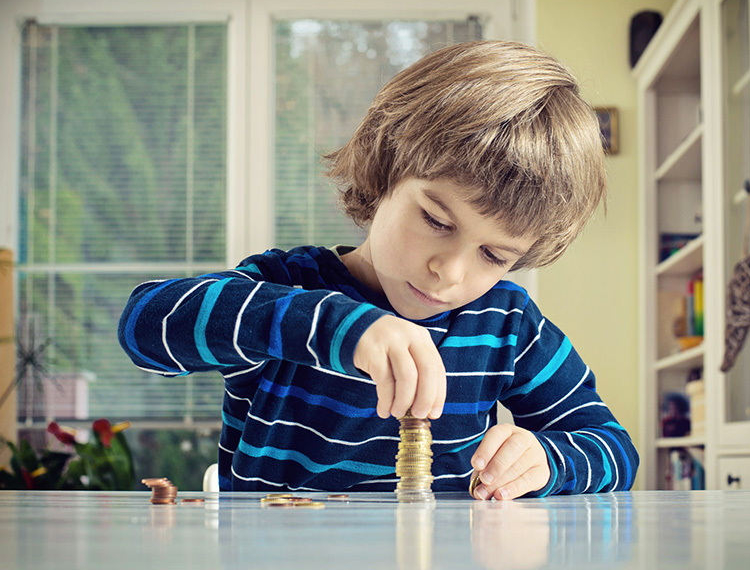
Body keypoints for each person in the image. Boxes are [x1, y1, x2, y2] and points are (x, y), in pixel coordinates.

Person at [118, 40, 638, 499]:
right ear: (386, 168)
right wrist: (336, 327)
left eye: (494, 256)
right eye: (436, 219)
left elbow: (613, 449)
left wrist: (547, 462)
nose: (448, 271)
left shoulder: (507, 324)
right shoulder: (287, 287)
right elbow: (143, 326)